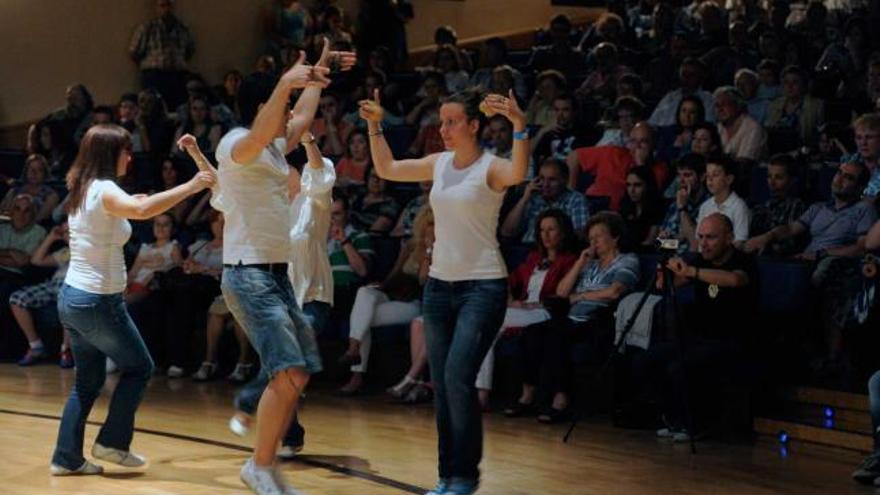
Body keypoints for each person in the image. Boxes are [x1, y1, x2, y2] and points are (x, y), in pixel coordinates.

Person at [359, 85, 528, 495]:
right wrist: (375, 127)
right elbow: (388, 169)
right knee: (442, 381)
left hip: (482, 287)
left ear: (474, 125)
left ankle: (465, 477)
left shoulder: (491, 167)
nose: (444, 129)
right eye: (442, 121)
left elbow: (519, 173)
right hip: (439, 288)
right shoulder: (439, 163)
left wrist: (519, 125)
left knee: (456, 377)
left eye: (453, 122)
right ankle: (448, 474)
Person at [211, 41, 353, 495]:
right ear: (262, 106)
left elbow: (303, 120)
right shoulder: (238, 142)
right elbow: (260, 133)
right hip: (248, 273)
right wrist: (284, 84)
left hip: (276, 276)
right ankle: (261, 466)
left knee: (301, 368)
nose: (288, 112)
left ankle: (264, 463)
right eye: (280, 103)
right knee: (290, 367)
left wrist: (317, 72)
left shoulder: (273, 150)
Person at [50, 124, 214, 476]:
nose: (129, 156)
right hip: (97, 302)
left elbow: (124, 212)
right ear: (111, 155)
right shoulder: (105, 190)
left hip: (74, 298)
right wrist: (192, 185)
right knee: (140, 368)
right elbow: (140, 214)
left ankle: (66, 457)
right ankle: (112, 443)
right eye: (125, 150)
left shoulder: (82, 188)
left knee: (87, 382)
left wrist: (138, 201)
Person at [637, 213, 758, 441]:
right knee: (649, 360)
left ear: (729, 237)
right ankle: (672, 418)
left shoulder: (743, 261)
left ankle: (695, 424)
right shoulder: (700, 259)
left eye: (711, 237)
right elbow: (667, 286)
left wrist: (693, 271)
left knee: (681, 367)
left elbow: (734, 280)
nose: (703, 243)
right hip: (699, 337)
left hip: (733, 340)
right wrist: (666, 260)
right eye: (700, 237)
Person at [337, 207, 433, 395]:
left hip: (414, 304)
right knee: (365, 293)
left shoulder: (439, 248)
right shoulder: (410, 246)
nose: (428, 231)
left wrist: (429, 253)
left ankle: (355, 368)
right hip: (395, 295)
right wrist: (383, 286)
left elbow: (424, 282)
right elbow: (395, 274)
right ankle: (354, 350)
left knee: (361, 319)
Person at [11, 222, 73, 368]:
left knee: (68, 299)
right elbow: (36, 260)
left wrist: (70, 236)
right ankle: (35, 346)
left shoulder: (89, 248)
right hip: (54, 283)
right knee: (17, 298)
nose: (65, 234)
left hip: (72, 284)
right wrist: (51, 237)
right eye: (65, 231)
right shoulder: (66, 252)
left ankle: (66, 349)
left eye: (68, 231)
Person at [128, 0, 196, 109]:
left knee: (178, 108)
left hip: (177, 76)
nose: (166, 9)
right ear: (157, 8)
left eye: (169, 5)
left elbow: (190, 50)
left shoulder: (182, 29)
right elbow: (134, 51)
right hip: (155, 76)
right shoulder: (147, 28)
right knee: (154, 107)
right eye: (162, 6)